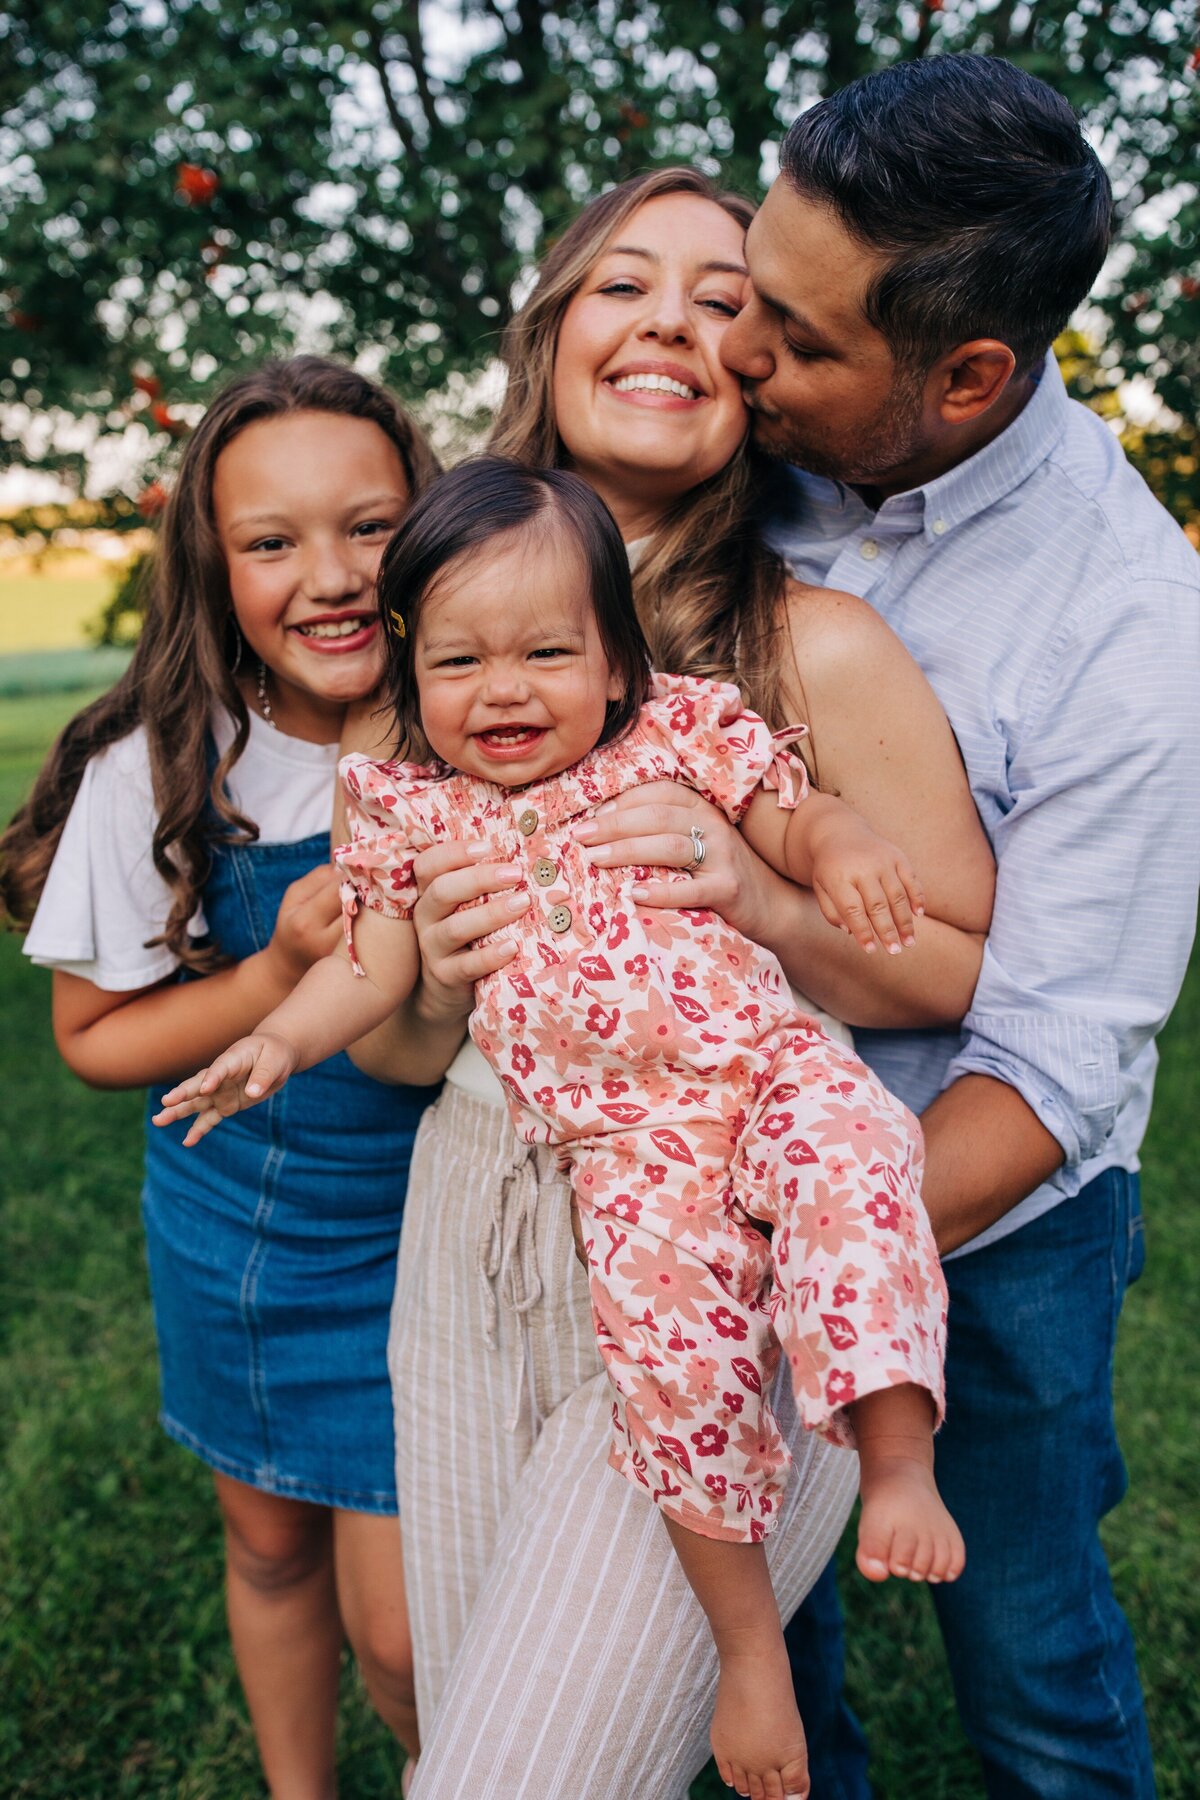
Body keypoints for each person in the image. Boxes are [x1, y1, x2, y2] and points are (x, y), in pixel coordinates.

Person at [156, 455, 966, 1800]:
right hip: (627, 1154)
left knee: (860, 1156)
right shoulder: (412, 809)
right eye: (459, 661)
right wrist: (278, 1040)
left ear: (616, 664)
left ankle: (898, 1457)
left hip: (765, 1072)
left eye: (547, 653)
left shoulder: (676, 736)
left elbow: (796, 810)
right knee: (671, 1366)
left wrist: (843, 854)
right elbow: (368, 966)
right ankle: (748, 1653)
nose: (505, 690)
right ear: (411, 669)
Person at [340, 169, 994, 1798]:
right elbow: (399, 1051)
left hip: (712, 1220)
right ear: (552, 329)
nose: (672, 325)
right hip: (468, 1228)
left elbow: (952, 971)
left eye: (725, 302)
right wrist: (429, 980)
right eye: (626, 283)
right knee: (457, 1708)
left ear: (759, 374)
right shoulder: (432, 669)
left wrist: (759, 891)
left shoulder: (812, 645)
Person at [707, 51, 1200, 1800]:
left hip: (992, 1228)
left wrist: (782, 1256)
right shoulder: (743, 452)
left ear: (969, 375)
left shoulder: (1128, 623)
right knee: (762, 1645)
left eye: (798, 339)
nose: (738, 354)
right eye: (749, 293)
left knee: (1031, 1649)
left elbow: (1056, 1054)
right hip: (716, 1161)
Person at [0, 357, 441, 1799]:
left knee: (407, 1634)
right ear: (212, 565)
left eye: (370, 526)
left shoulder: (474, 722)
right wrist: (267, 980)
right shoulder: (167, 769)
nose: (332, 576)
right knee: (268, 1547)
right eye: (271, 541)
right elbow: (91, 1040)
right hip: (248, 1240)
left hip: (431, 1235)